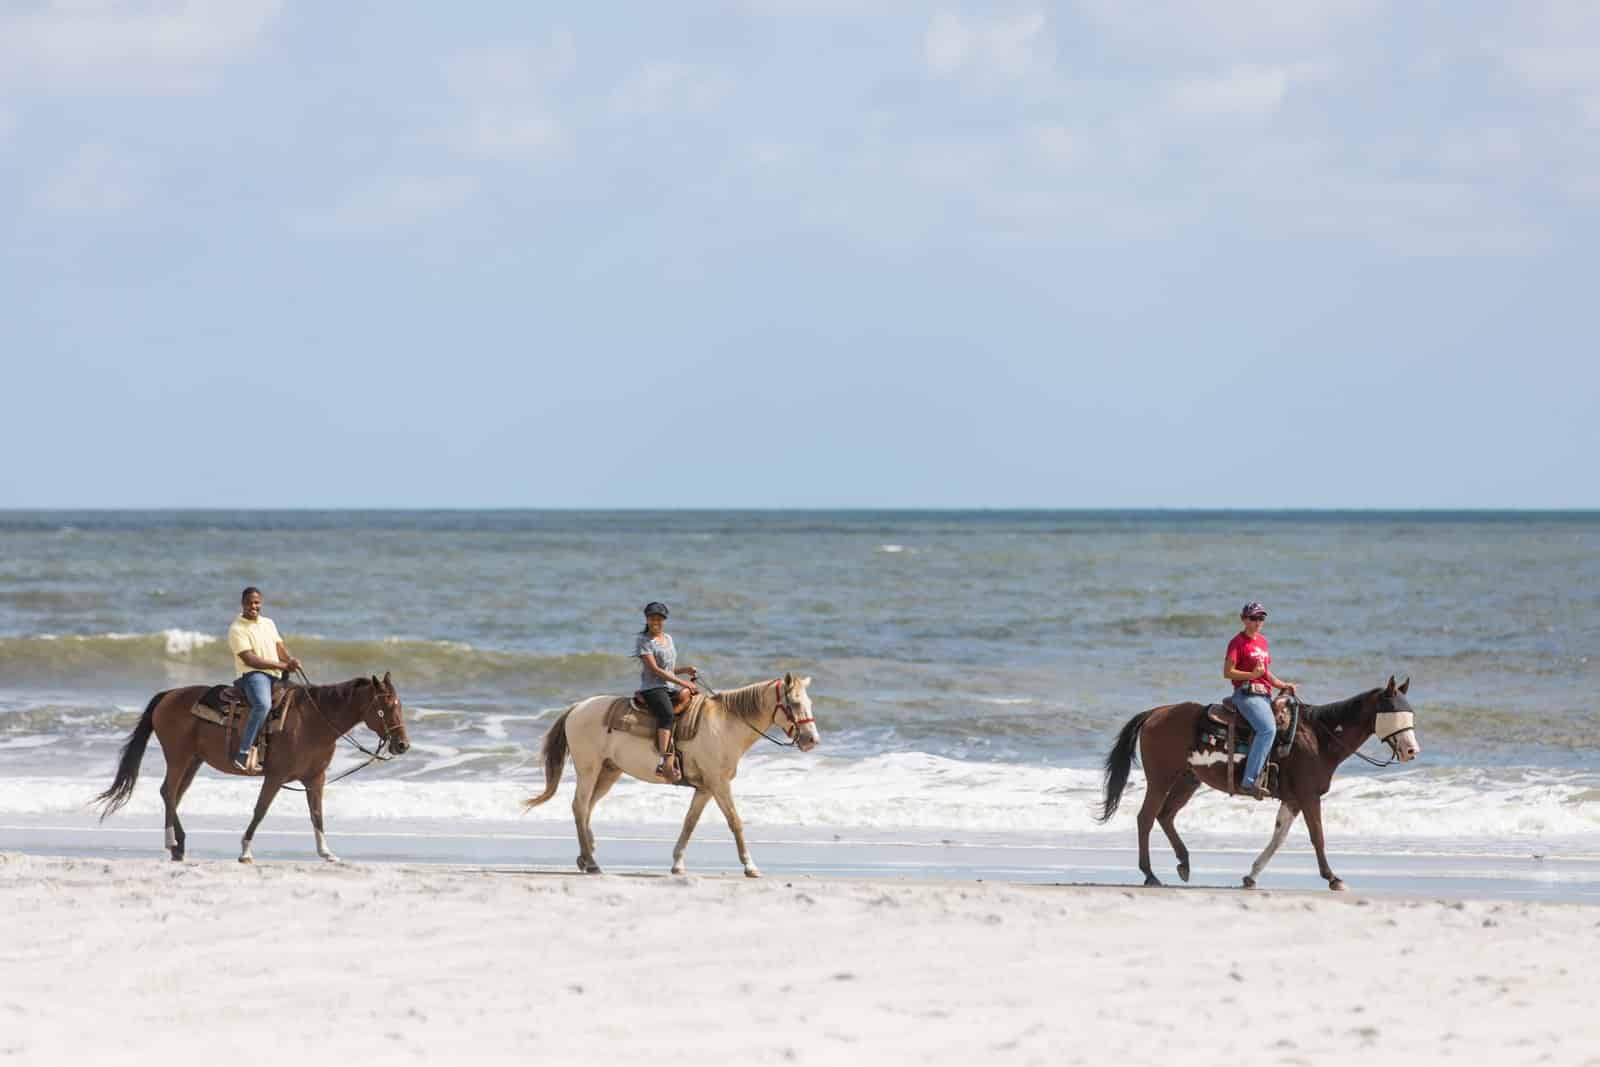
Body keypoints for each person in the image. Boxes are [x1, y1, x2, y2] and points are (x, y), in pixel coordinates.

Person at [1222, 601, 1298, 799]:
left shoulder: (1262, 642)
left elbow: (1266, 673)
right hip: (1246, 695)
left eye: (1261, 618)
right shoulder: (1237, 642)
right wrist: (1250, 674)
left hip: (1264, 694)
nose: (1258, 622)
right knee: (1267, 729)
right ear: (1244, 619)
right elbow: (1227, 672)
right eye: (1253, 618)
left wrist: (1282, 685)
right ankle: (1248, 782)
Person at [227, 587, 301, 771]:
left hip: (275, 674)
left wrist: (289, 660)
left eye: (257, 602)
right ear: (243, 603)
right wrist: (282, 666)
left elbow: (279, 648)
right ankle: (243, 753)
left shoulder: (269, 623)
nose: (254, 606)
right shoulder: (236, 629)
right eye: (250, 602)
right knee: (263, 705)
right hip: (253, 675)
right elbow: (250, 659)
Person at [634, 601, 697, 781]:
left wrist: (685, 670)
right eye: (652, 618)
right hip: (652, 688)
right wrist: (682, 682)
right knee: (667, 715)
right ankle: (664, 761)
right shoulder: (643, 641)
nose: (656, 621)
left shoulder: (668, 639)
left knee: (694, 702)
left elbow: (668, 668)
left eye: (660, 618)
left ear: (664, 620)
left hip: (669, 686)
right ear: (647, 619)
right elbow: (656, 670)